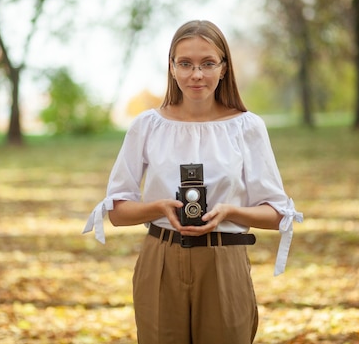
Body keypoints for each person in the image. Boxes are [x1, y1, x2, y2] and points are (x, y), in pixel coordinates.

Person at [83, 20, 302, 344]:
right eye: (185, 63)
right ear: (171, 67)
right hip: (161, 258)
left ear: (224, 68)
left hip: (223, 259)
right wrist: (157, 207)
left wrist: (229, 213)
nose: (196, 74)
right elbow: (116, 211)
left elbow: (277, 215)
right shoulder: (147, 125)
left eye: (207, 63)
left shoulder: (247, 127)